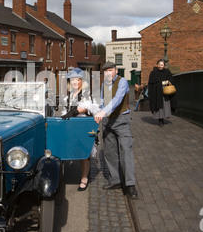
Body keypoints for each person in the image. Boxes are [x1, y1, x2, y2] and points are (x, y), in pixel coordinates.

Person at [94, 61, 138, 199]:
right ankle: (116, 180)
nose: (108, 73)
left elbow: (118, 99)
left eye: (110, 70)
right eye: (105, 71)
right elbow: (102, 100)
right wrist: (98, 110)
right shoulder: (103, 84)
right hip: (107, 122)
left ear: (116, 71)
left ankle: (130, 185)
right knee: (109, 152)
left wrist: (103, 112)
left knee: (126, 150)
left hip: (121, 120)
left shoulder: (122, 82)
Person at [61, 68, 99, 192]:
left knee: (84, 153)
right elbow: (65, 111)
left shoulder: (86, 93)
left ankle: (84, 178)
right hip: (72, 126)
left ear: (82, 81)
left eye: (77, 79)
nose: (74, 82)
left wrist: (76, 111)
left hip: (83, 125)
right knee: (70, 150)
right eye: (72, 79)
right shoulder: (69, 95)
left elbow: (90, 107)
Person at [148, 59, 177, 127]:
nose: (160, 66)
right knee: (159, 106)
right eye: (159, 65)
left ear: (164, 65)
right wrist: (160, 83)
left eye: (162, 65)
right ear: (157, 65)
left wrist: (165, 82)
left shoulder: (167, 72)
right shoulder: (153, 73)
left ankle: (163, 117)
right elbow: (151, 83)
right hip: (157, 93)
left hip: (165, 92)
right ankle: (160, 119)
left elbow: (171, 80)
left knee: (165, 105)